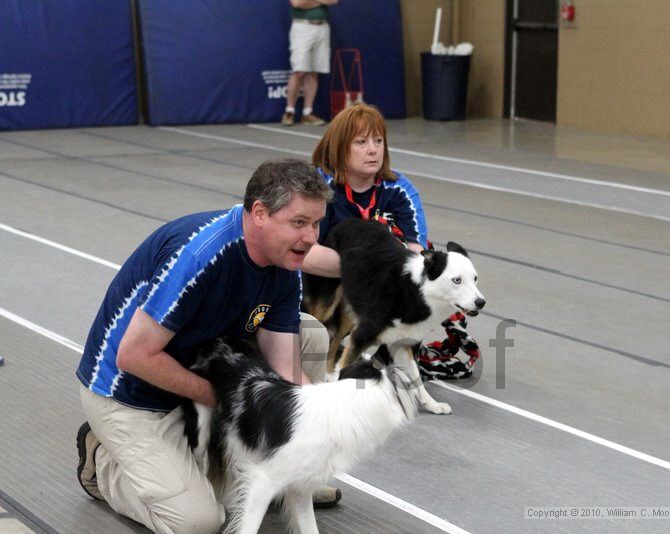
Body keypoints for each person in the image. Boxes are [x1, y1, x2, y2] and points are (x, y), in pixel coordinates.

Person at [75, 159, 343, 534]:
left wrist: (324, 418)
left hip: (202, 363)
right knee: (197, 523)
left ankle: (284, 471)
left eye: (316, 224)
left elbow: (286, 367)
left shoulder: (285, 260)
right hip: (130, 392)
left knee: (310, 335)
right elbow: (133, 355)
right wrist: (225, 398)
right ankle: (104, 463)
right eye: (299, 223)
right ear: (260, 214)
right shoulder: (200, 255)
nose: (311, 237)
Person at [302, 103, 481, 379]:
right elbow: (304, 254)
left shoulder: (401, 191)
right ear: (339, 147)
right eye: (361, 142)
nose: (373, 149)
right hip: (321, 272)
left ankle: (356, 354)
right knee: (319, 320)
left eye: (378, 141)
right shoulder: (319, 187)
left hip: (372, 281)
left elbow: (417, 258)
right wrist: (365, 267)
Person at [282, 0, 339, 126]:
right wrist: (321, 1)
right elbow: (297, 3)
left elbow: (334, 0)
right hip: (302, 27)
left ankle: (307, 113)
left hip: (322, 28)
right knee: (299, 71)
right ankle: (289, 111)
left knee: (314, 71)